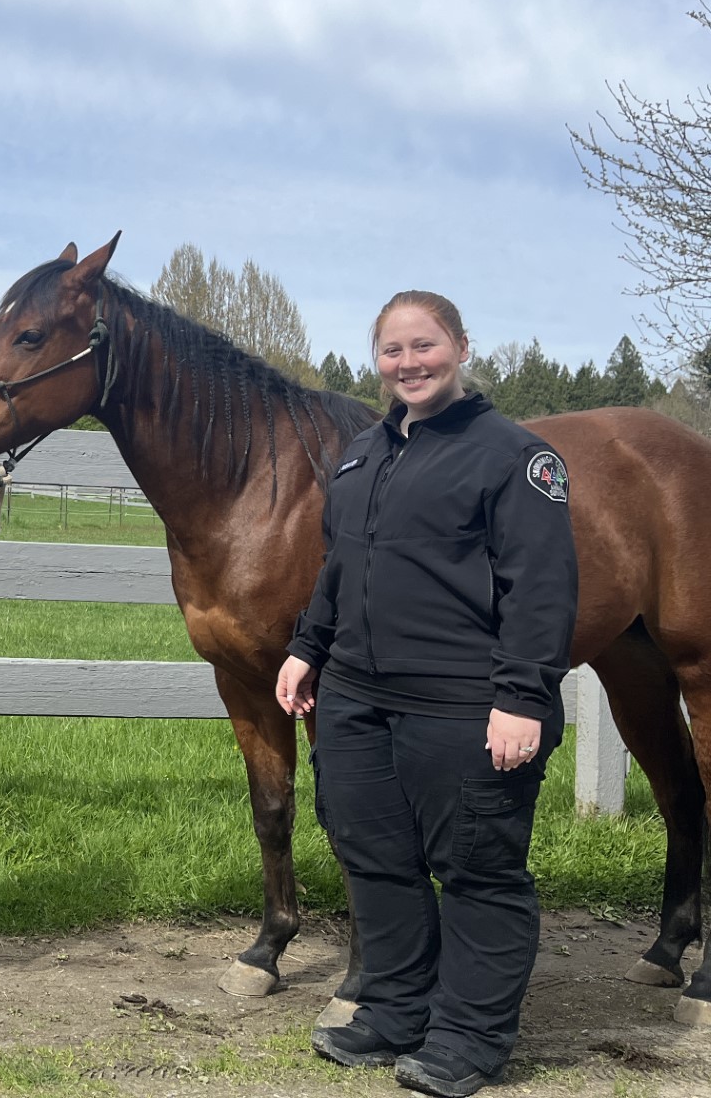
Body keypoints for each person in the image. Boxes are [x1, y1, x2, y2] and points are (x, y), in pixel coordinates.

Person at [276, 291, 577, 1098]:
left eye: (425, 345)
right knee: (375, 859)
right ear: (377, 360)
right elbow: (341, 567)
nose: (409, 363)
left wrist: (522, 697)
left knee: (477, 869)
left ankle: (471, 1038)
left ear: (461, 348)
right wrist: (308, 649)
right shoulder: (362, 456)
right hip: (356, 699)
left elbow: (542, 589)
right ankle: (397, 1011)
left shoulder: (514, 457)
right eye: (393, 350)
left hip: (466, 703)